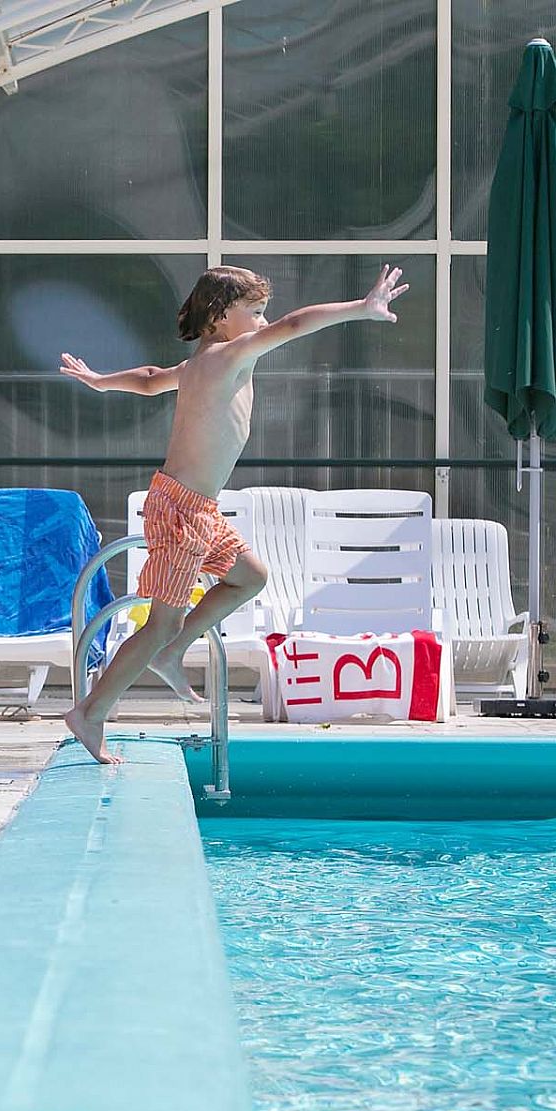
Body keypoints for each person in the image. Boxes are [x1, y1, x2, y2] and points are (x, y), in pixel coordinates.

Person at [57, 263, 409, 764]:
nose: (265, 321)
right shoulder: (226, 357)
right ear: (221, 316)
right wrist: (361, 308)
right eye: (256, 311)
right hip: (180, 507)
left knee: (250, 576)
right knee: (159, 622)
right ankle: (91, 712)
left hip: (198, 506)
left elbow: (152, 379)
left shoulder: (198, 364)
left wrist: (101, 381)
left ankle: (173, 652)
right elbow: (294, 325)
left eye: (265, 311)